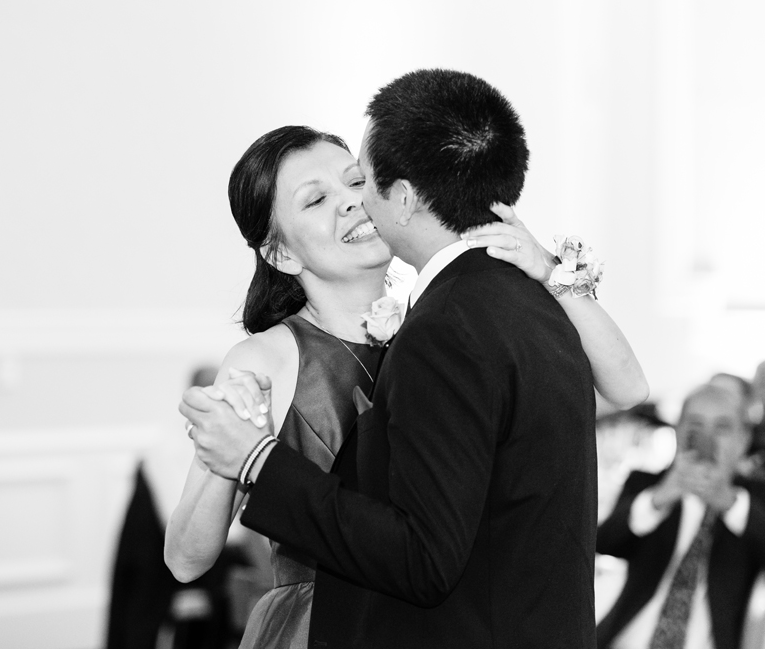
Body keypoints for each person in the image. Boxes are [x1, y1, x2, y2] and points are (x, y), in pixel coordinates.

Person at [180, 69, 641, 648]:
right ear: (279, 251)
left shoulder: (444, 321)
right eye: (318, 199)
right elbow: (186, 560)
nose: (352, 204)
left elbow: (626, 387)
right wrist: (227, 453)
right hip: (318, 628)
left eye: (356, 182)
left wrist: (554, 275)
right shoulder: (263, 358)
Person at [597, 381, 765, 649]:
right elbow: (604, 542)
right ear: (679, 431)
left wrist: (731, 503)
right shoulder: (645, 483)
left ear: (743, 439)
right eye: (695, 425)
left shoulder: (756, 498)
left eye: (722, 427)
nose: (707, 437)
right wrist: (660, 497)